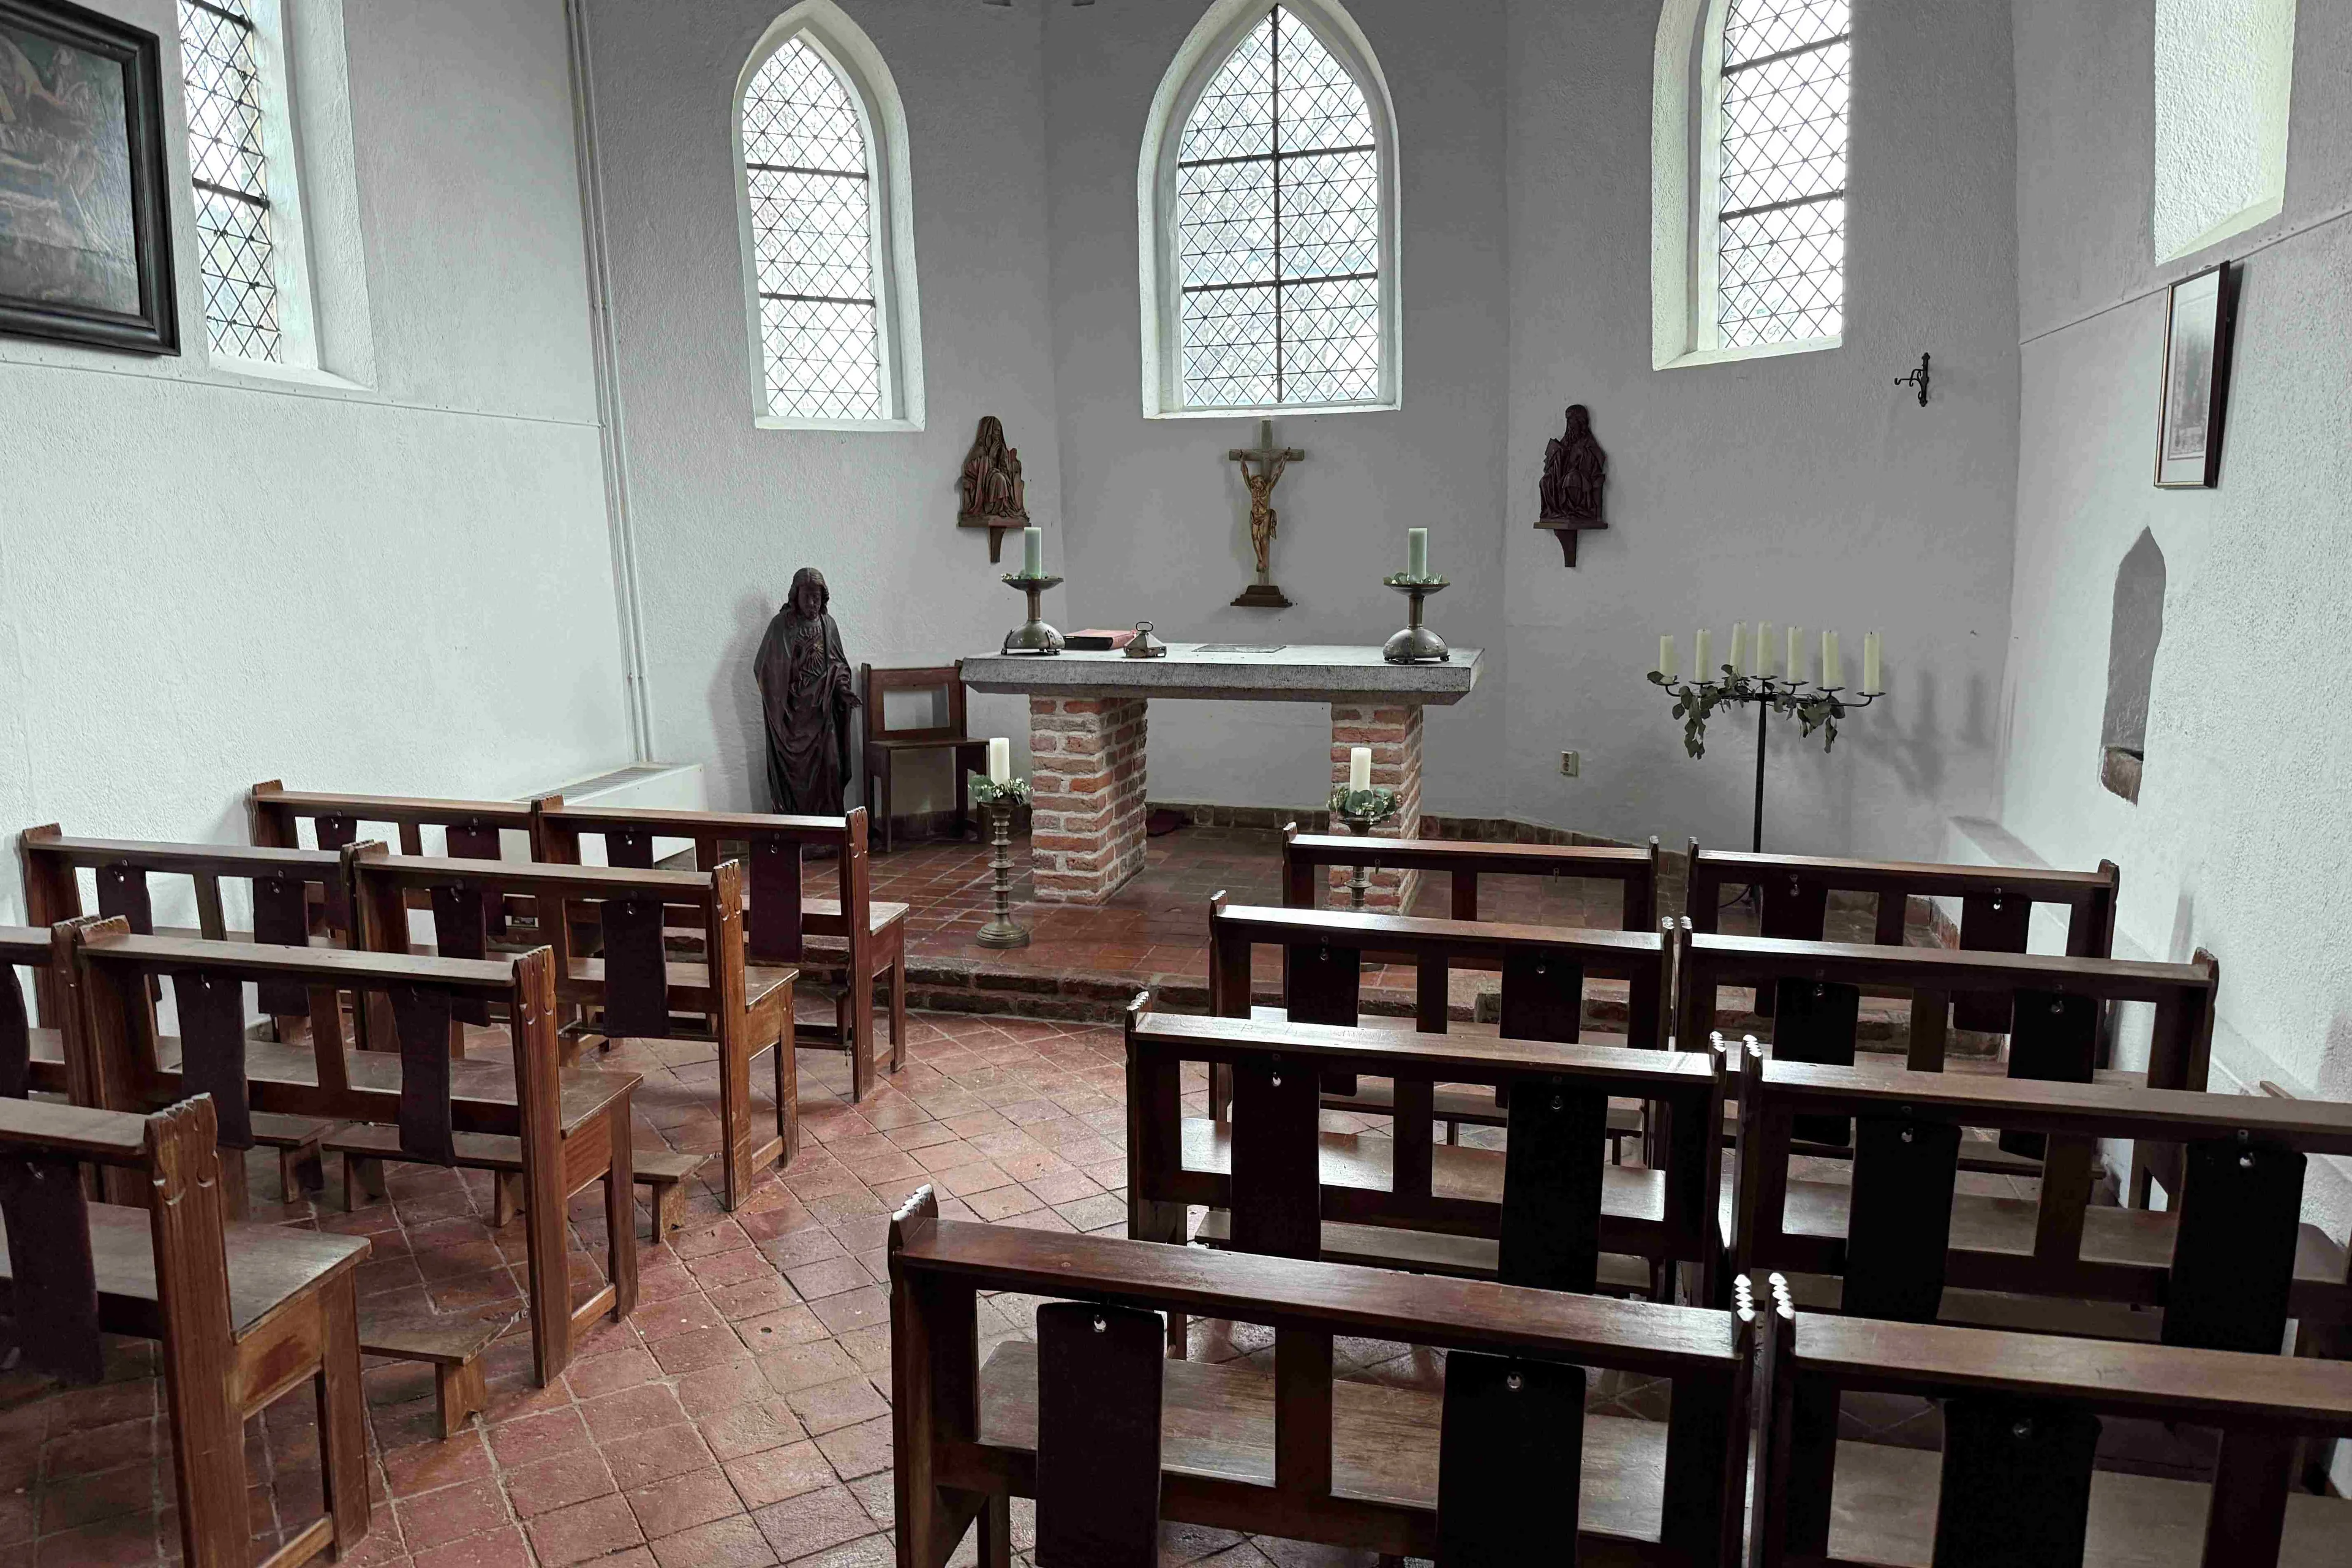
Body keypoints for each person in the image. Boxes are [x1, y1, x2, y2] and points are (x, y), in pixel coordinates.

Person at [753, 568, 858, 815]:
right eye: (807, 596)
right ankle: (800, 833)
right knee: (796, 779)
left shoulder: (828, 625)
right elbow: (765, 669)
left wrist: (843, 689)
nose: (812, 602)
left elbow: (838, 665)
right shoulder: (782, 625)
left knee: (831, 767)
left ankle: (830, 830)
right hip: (794, 718)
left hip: (823, 715)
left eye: (817, 597)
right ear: (795, 596)